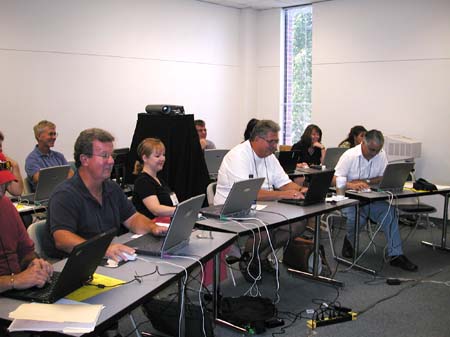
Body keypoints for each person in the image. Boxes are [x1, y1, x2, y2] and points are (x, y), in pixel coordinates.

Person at [45, 128, 167, 261]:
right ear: (84, 159)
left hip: (106, 258)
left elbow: (133, 219)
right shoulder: (64, 195)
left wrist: (152, 227)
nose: (111, 161)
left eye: (111, 155)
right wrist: (103, 250)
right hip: (77, 263)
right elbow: (62, 239)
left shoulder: (112, 188)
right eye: (104, 156)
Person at [214, 120, 307, 281]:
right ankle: (247, 258)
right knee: (265, 231)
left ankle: (260, 257)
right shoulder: (238, 156)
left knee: (299, 224)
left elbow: (284, 182)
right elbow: (247, 194)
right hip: (231, 209)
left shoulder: (269, 157)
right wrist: (282, 195)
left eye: (276, 141)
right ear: (256, 139)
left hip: (264, 208)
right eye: (271, 141)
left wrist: (300, 190)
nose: (275, 146)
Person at [333, 129, 417, 271]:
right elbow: (334, 179)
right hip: (349, 198)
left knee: (390, 213)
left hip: (371, 198)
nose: (374, 154)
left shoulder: (381, 154)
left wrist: (366, 180)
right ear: (363, 142)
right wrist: (352, 184)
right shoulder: (349, 155)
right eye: (372, 150)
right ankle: (349, 241)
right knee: (356, 219)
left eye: (377, 151)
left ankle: (396, 255)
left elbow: (382, 177)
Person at [0, 163, 53, 294]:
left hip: (18, 290)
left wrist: (35, 263)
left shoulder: (6, 204)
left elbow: (26, 253)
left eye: (3, 183)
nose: (2, 191)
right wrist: (14, 281)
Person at [132, 138, 178, 220]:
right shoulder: (143, 181)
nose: (163, 159)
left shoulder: (158, 179)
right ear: (145, 158)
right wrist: (180, 210)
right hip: (151, 226)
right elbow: (155, 209)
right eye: (157, 156)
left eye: (163, 155)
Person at [25, 120, 74, 191]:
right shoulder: (31, 159)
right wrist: (63, 177)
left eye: (55, 134)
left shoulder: (59, 156)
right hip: (46, 199)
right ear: (39, 136)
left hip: (63, 194)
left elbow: (71, 176)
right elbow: (43, 181)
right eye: (51, 134)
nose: (54, 137)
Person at [0, 131, 23, 196]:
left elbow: (17, 191)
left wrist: (15, 166)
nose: (1, 149)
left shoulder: (2, 165)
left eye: (1, 146)